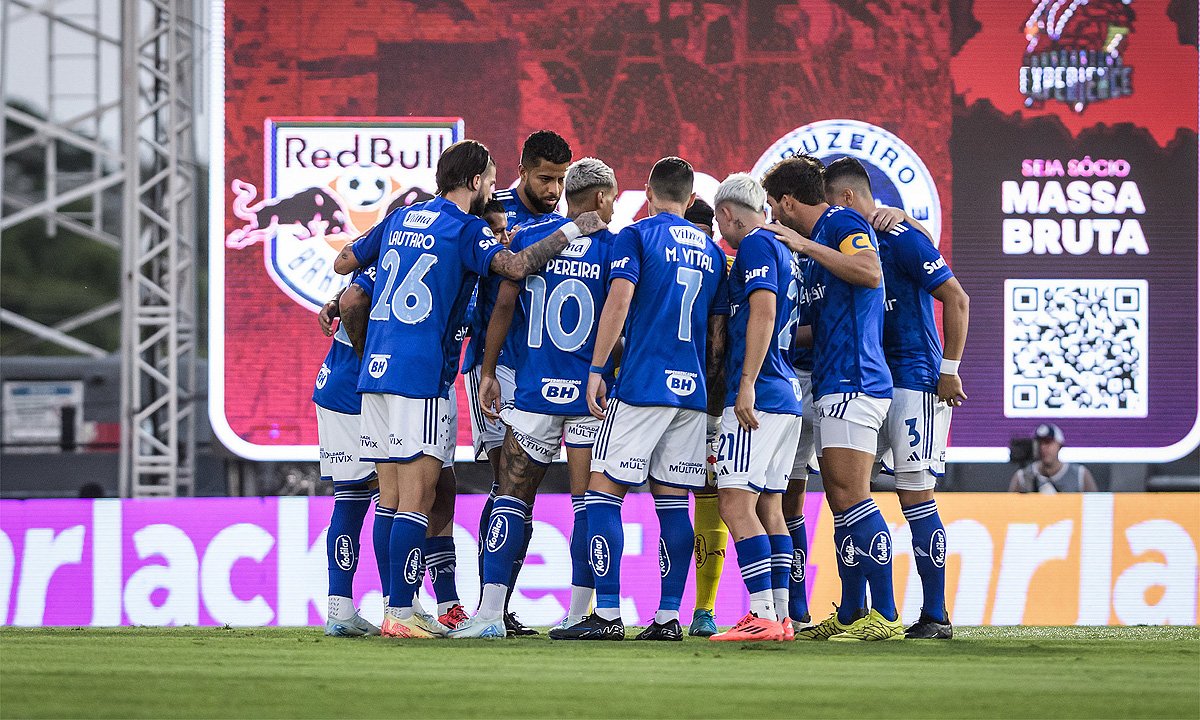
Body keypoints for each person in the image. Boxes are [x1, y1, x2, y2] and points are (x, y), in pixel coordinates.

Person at [333, 139, 607, 639]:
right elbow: (516, 268)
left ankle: (403, 606)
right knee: (419, 498)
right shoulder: (466, 228)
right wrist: (575, 227)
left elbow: (344, 263)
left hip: (374, 373)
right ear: (478, 180)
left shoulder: (399, 217)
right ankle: (399, 611)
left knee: (390, 500)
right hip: (422, 375)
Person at [550, 157, 728, 642]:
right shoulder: (712, 254)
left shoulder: (637, 235)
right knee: (673, 506)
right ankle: (669, 617)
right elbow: (716, 338)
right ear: (691, 199)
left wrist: (595, 369)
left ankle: (606, 615)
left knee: (602, 495)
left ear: (647, 192)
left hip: (642, 386)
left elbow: (620, 301)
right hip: (690, 393)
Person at [450, 157, 620, 638]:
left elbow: (503, 305)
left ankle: (488, 617)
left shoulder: (530, 238)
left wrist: (486, 370)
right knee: (588, 503)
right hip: (591, 394)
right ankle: (582, 613)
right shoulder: (615, 246)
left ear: (569, 193)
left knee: (511, 497)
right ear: (603, 198)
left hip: (533, 390)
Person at [824, 156, 971, 640]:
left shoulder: (899, 236)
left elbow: (957, 297)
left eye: (831, 204)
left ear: (846, 198)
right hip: (871, 380)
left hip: (915, 378)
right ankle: (852, 611)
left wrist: (948, 370)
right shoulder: (848, 243)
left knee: (915, 494)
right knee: (848, 495)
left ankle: (935, 615)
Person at [761, 155, 902, 642]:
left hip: (855, 379)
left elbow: (868, 272)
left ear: (786, 201)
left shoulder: (840, 222)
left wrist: (802, 244)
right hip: (834, 379)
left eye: (776, 210)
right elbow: (820, 325)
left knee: (851, 495)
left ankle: (884, 613)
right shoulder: (821, 241)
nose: (775, 220)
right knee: (841, 504)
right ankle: (850, 615)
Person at [464, 130, 572, 636]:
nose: (553, 188)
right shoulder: (494, 208)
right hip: (494, 362)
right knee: (502, 484)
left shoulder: (563, 224)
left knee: (520, 492)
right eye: (545, 178)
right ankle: (490, 606)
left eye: (560, 179)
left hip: (539, 366)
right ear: (524, 169)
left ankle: (496, 605)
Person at [707, 174, 803, 642]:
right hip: (786, 396)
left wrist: (744, 383)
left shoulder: (755, 247)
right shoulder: (786, 250)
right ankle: (781, 617)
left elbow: (763, 311)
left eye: (718, 221)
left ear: (727, 214)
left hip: (759, 395)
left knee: (734, 503)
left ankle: (761, 614)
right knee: (770, 506)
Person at [313, 269, 381, 637]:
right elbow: (355, 296)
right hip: (355, 391)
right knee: (394, 497)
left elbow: (352, 290)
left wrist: (334, 301)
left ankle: (340, 608)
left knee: (353, 499)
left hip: (338, 385)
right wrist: (366, 354)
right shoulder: (400, 237)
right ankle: (401, 607)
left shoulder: (385, 239)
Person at [683, 196, 728, 638]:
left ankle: (694, 610)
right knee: (703, 503)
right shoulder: (721, 266)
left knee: (686, 502)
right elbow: (719, 345)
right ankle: (700, 610)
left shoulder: (652, 257)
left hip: (658, 399)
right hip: (709, 403)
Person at [781, 251, 819, 632]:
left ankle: (791, 603)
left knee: (778, 501)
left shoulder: (830, 245)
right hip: (795, 377)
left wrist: (769, 328)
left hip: (800, 376)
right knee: (786, 500)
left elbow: (826, 321)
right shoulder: (782, 246)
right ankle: (795, 604)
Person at [1009, 423, 1098, 493]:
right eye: (1040, 443)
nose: (1043, 447)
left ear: (1059, 444)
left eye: (1048, 442)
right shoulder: (1023, 477)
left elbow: (1095, 507)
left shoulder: (1079, 475)